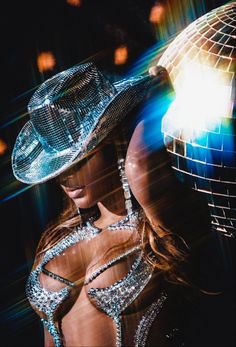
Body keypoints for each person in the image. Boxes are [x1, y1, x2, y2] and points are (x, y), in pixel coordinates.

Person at [11, 62, 210, 347]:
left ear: (115, 141)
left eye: (81, 159)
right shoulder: (57, 239)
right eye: (60, 166)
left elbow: (139, 166)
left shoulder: (158, 228)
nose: (67, 176)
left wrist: (153, 99)